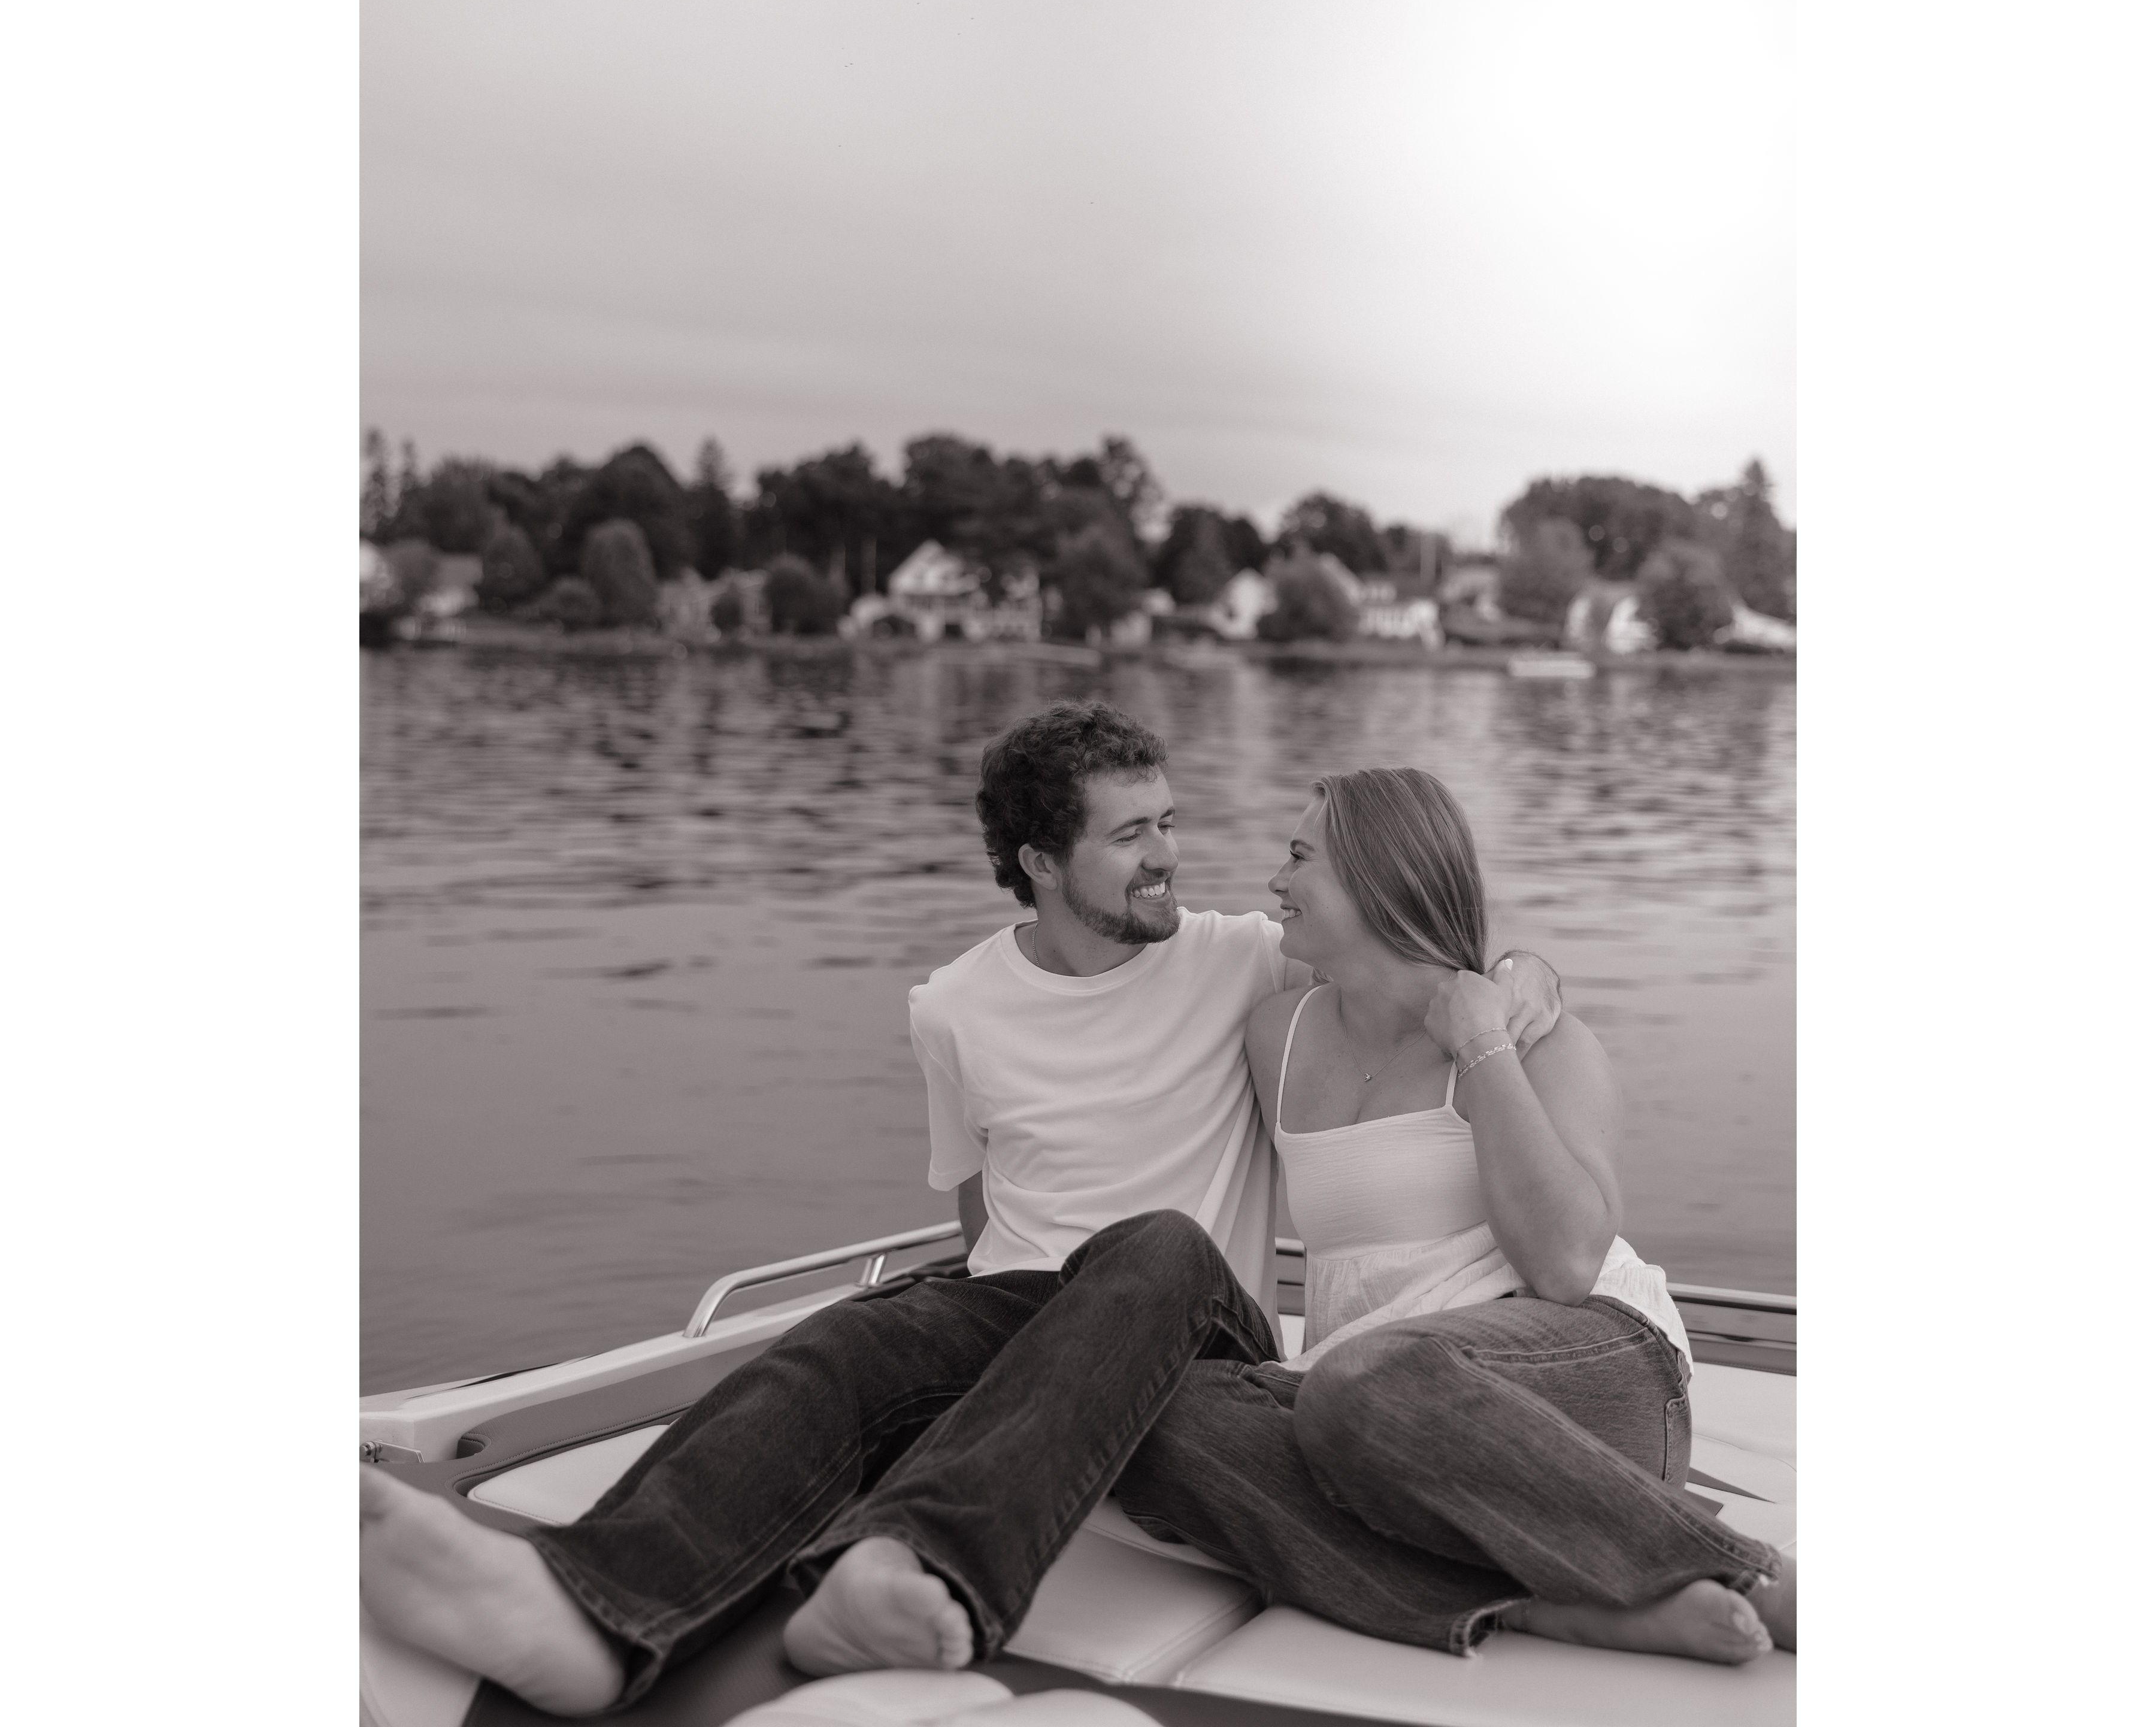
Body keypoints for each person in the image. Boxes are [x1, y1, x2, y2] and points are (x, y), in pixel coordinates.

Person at [359, 705, 1561, 1714]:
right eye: (1130, 834)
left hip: (1193, 1326)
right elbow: (983, 1231)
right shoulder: (952, 1009)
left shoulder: (1246, 959)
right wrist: (952, 1352)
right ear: (1040, 862)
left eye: (1168, 822)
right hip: (1026, 1317)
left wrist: (1522, 979)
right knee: (850, 1335)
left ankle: (920, 1565)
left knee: (1154, 1247)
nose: (1167, 856)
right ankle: (590, 1614)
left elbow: (1420, 959)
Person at [1104, 766, 1797, 1665]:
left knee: (1366, 1382)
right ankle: (1532, 1606)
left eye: (1300, 857)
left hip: (1589, 1376)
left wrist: (1481, 1043)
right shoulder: (1276, 1034)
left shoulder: (1540, 1041)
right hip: (1375, 1426)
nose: (1276, 881)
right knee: (1160, 1418)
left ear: (1381, 878)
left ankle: (1744, 1574)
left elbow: (1565, 1267)